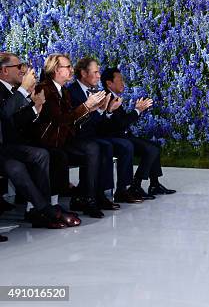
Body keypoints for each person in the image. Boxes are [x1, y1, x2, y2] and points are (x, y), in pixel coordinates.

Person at [0, 52, 80, 228]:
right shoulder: (12, 90)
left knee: (41, 154)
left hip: (12, 145)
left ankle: (42, 209)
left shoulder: (13, 90)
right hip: (6, 147)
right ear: (5, 70)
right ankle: (45, 210)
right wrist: (24, 92)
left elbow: (16, 120)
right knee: (24, 162)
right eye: (19, 67)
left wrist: (35, 106)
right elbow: (5, 114)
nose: (22, 70)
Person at [33, 53, 107, 218]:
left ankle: (88, 197)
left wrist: (91, 109)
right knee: (89, 149)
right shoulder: (45, 89)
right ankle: (84, 199)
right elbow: (60, 120)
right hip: (50, 142)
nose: (71, 69)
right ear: (56, 70)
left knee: (95, 147)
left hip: (63, 140)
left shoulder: (63, 91)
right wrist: (86, 106)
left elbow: (71, 120)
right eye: (67, 67)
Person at [68, 58, 142, 204]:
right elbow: (75, 122)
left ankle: (120, 189)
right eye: (95, 72)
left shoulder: (98, 92)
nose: (98, 76)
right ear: (83, 73)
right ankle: (99, 193)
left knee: (124, 145)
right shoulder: (72, 92)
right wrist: (101, 110)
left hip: (95, 135)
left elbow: (100, 124)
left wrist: (107, 111)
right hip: (78, 137)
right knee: (106, 146)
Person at [100, 67, 175, 197]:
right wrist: (137, 111)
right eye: (120, 80)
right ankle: (135, 185)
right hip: (116, 139)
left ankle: (154, 185)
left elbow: (121, 121)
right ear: (109, 83)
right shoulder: (107, 98)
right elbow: (120, 124)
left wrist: (138, 110)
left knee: (155, 146)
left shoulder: (115, 96)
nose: (123, 83)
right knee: (151, 150)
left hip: (123, 136)